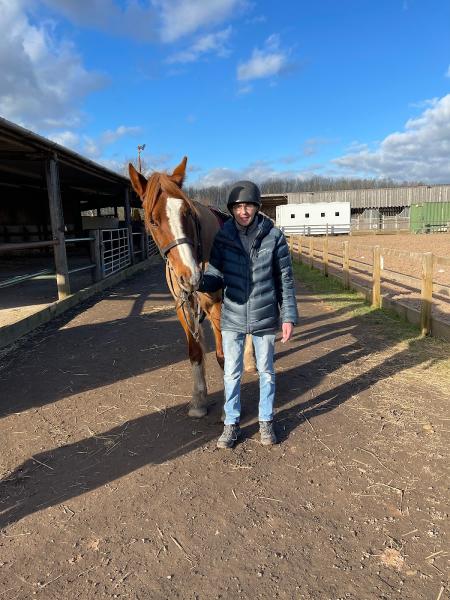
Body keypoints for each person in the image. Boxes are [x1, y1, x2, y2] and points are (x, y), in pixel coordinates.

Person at [199, 180, 298, 448]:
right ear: (232, 209)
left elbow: (284, 280)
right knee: (231, 373)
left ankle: (266, 420)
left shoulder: (274, 237)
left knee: (266, 370)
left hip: (264, 316)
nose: (244, 211)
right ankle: (231, 423)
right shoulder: (223, 237)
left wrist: (288, 316)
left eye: (248, 206)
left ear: (256, 207)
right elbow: (216, 273)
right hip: (232, 316)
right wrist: (200, 281)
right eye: (239, 207)